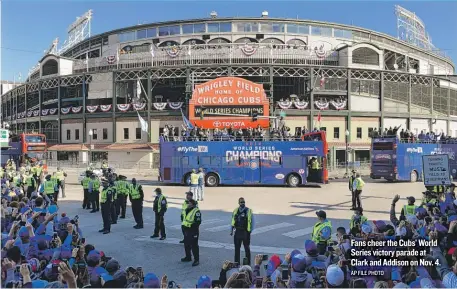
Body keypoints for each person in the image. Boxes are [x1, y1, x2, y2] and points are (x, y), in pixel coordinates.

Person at [231, 197, 254, 265]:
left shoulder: (248, 210)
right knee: (237, 249)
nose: (242, 203)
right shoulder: (235, 210)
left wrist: (249, 231)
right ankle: (236, 263)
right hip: (237, 231)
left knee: (247, 248)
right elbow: (232, 221)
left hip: (245, 232)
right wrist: (231, 230)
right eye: (241, 202)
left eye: (243, 202)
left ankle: (248, 263)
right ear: (238, 203)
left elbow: (252, 221)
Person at [181, 199, 201, 266]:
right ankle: (188, 257)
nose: (188, 204)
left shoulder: (196, 211)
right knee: (186, 244)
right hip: (186, 230)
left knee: (194, 246)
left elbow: (198, 222)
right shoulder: (187, 209)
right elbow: (183, 218)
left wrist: (190, 226)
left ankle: (196, 260)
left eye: (189, 203)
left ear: (192, 204)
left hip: (193, 230)